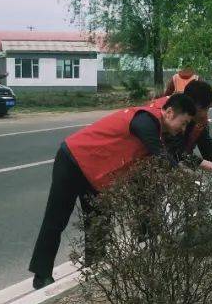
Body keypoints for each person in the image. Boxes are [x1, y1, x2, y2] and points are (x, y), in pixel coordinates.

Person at [28, 93, 198, 290]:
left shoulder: (159, 129)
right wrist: (181, 174)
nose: (183, 129)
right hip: (73, 159)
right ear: (169, 113)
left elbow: (168, 155)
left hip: (96, 174)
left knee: (99, 222)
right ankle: (41, 275)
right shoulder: (145, 119)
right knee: (56, 219)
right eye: (183, 123)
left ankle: (94, 270)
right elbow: (160, 155)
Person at [153, 80, 212, 181]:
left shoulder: (197, 121)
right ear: (192, 105)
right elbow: (178, 153)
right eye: (205, 109)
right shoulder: (171, 117)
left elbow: (207, 147)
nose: (205, 115)